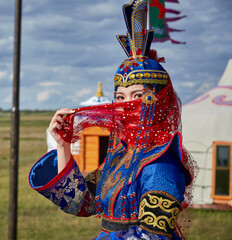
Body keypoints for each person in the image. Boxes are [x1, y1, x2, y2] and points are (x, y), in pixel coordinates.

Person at [29, 0, 197, 239]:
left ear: (158, 100)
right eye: (120, 97)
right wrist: (63, 144)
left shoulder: (162, 164)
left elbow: (152, 236)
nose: (125, 105)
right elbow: (83, 203)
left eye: (138, 96)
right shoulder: (120, 153)